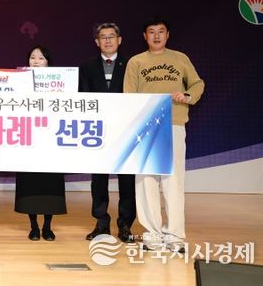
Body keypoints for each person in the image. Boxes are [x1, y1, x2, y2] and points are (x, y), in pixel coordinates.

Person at [124, 17, 204, 253]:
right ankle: (152, 233)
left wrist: (186, 96)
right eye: (151, 32)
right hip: (146, 127)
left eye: (161, 31)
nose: (156, 36)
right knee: (146, 180)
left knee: (173, 180)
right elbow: (128, 96)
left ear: (167, 35)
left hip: (174, 123)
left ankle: (175, 235)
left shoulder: (180, 58)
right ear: (145, 36)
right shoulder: (136, 61)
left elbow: (197, 84)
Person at [79, 22, 136, 243]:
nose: (108, 40)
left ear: (119, 40)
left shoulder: (132, 65)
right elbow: (83, 97)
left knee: (127, 180)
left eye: (112, 36)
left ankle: (125, 224)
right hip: (98, 131)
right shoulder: (87, 67)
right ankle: (101, 222)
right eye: (103, 37)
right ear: (97, 42)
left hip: (126, 131)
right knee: (98, 180)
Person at [14, 46, 66, 241]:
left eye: (41, 58)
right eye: (32, 57)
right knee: (30, 185)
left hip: (52, 140)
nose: (36, 61)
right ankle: (34, 226)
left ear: (48, 63)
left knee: (50, 184)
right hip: (28, 139)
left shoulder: (61, 84)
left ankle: (47, 226)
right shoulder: (19, 83)